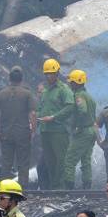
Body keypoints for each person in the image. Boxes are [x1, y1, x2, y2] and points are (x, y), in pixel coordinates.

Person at [0, 66, 36, 189]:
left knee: (6, 163)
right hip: (23, 134)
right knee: (23, 163)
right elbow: (32, 113)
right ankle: (23, 190)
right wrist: (33, 131)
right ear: (22, 79)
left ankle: (5, 189)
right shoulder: (27, 94)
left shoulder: (0, 94)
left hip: (6, 134)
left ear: (9, 78)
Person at [36, 59, 75, 190]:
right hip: (45, 131)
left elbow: (70, 107)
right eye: (47, 74)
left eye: (51, 73)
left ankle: (61, 188)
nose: (49, 76)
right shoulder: (46, 92)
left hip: (59, 131)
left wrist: (54, 117)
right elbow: (41, 108)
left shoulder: (64, 90)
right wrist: (36, 119)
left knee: (61, 160)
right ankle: (54, 187)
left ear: (57, 73)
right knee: (49, 161)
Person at [63, 69, 98, 189]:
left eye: (72, 82)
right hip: (92, 131)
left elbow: (82, 110)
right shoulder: (89, 96)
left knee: (69, 160)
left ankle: (68, 189)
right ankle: (87, 188)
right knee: (86, 161)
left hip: (83, 131)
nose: (70, 84)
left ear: (77, 82)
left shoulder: (79, 95)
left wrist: (78, 125)